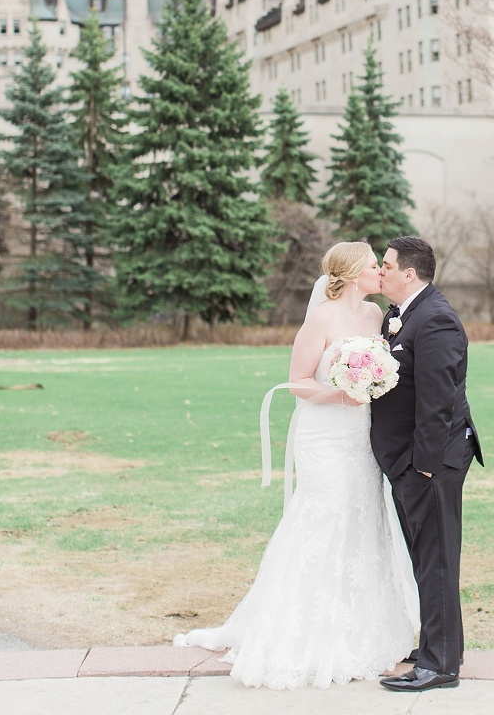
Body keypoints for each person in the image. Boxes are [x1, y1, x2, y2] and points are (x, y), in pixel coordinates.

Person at [174, 241, 417, 689]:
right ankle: (300, 630)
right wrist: (341, 390)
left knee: (364, 517)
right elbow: (298, 383)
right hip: (324, 433)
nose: (379, 273)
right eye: (371, 267)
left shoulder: (375, 317)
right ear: (348, 275)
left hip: (361, 434)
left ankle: (362, 631)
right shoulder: (320, 319)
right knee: (324, 516)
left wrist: (371, 383)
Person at [371, 235, 483, 693]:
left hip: (429, 463)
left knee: (436, 561)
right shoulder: (401, 316)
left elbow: (439, 400)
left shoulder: (434, 319)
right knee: (426, 558)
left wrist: (426, 466)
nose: (381, 271)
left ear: (409, 274)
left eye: (387, 265)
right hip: (408, 461)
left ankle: (440, 666)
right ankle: (441, 646)